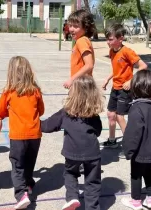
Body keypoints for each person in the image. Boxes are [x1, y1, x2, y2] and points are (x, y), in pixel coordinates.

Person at [42, 75, 104, 210]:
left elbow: (48, 125)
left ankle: (72, 197)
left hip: (72, 152)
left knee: (70, 173)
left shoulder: (66, 112)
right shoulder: (94, 115)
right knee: (92, 182)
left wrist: (34, 123)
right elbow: (98, 131)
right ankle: (92, 207)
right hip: (92, 152)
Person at [0, 56, 44, 209]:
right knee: (30, 161)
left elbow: (0, 111)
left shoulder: (9, 92)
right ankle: (28, 184)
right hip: (35, 134)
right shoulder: (35, 90)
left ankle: (21, 193)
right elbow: (41, 111)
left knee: (17, 165)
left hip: (18, 135)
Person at [120, 70, 151, 210]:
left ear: (135, 87)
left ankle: (135, 201)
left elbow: (132, 133)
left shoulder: (137, 108)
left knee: (136, 174)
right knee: (148, 172)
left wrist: (128, 151)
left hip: (140, 152)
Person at [100, 23, 148, 159]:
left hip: (125, 90)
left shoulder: (127, 51)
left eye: (110, 39)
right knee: (110, 114)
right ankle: (112, 140)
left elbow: (143, 66)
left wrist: (130, 81)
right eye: (107, 39)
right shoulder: (111, 52)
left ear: (120, 38)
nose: (107, 42)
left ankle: (129, 147)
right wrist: (107, 79)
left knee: (120, 116)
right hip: (115, 87)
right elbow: (116, 70)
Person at [63, 9, 96, 89]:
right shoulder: (82, 40)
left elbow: (89, 65)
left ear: (86, 28)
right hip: (81, 83)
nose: (71, 29)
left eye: (76, 26)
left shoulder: (82, 41)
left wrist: (72, 79)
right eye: (70, 26)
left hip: (82, 85)